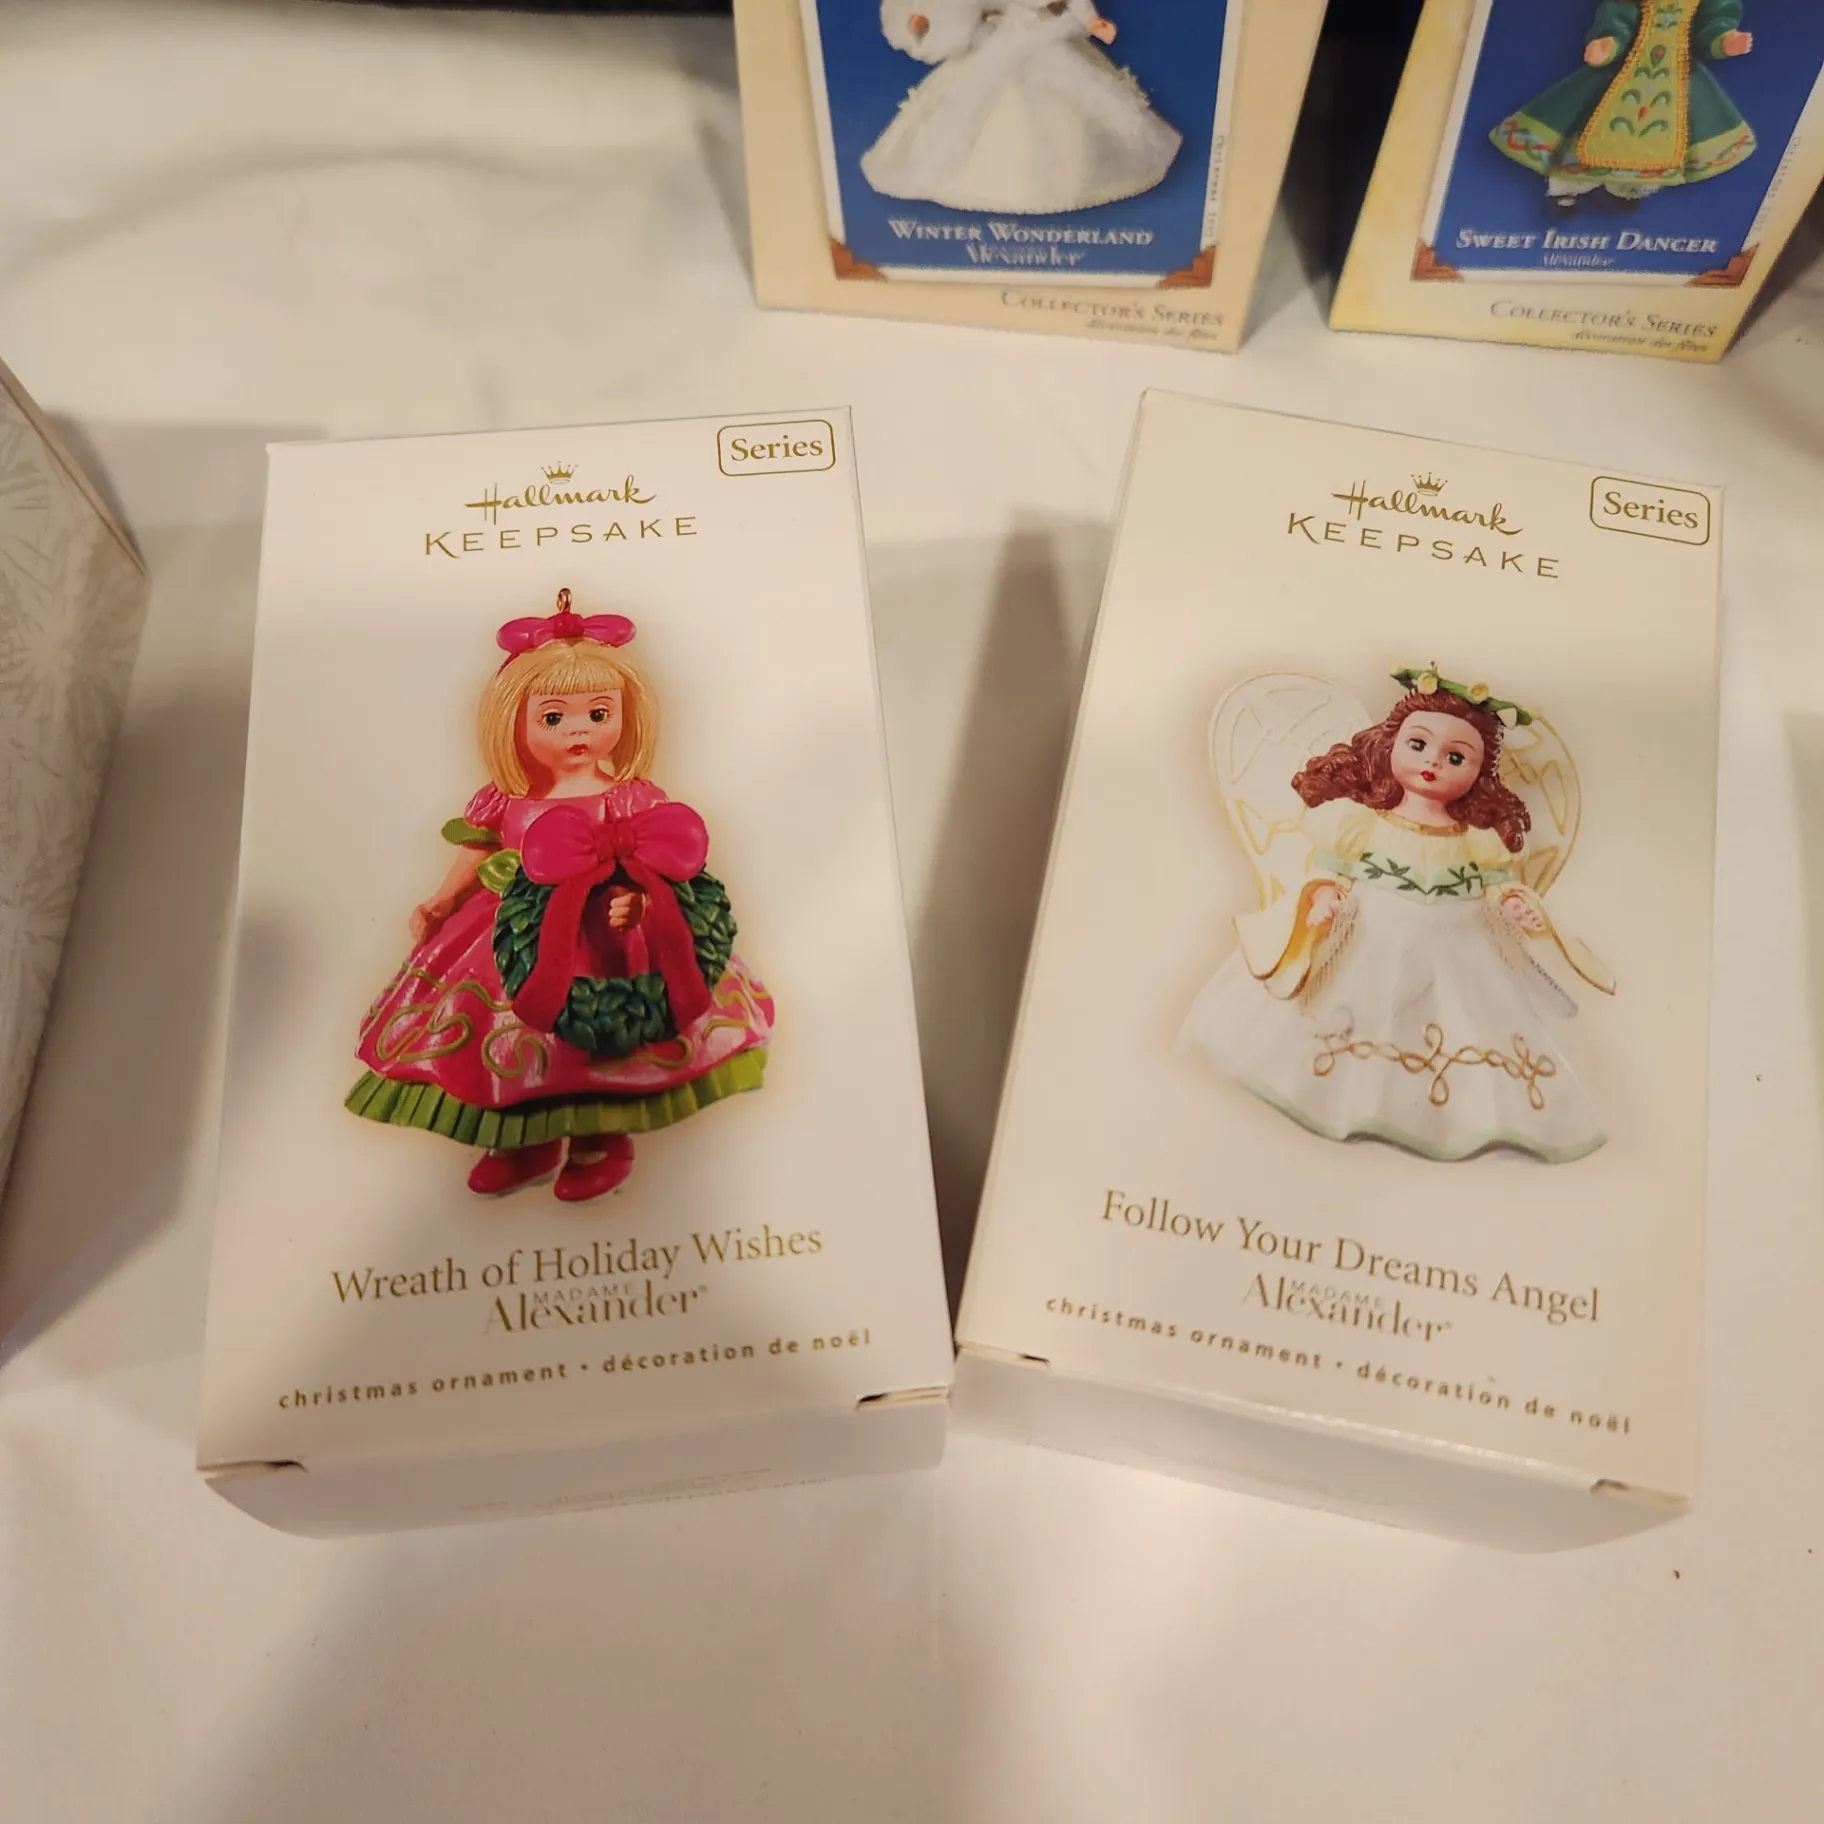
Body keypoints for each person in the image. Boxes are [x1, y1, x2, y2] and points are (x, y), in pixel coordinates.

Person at [346, 589, 772, 1201]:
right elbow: (480, 851)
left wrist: (642, 903)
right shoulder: (507, 800)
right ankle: (526, 1142)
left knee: (600, 1034)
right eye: (554, 717)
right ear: (513, 723)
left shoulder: (629, 796)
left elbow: (660, 866)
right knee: (513, 1038)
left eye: (599, 714)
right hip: (512, 932)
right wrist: (442, 901)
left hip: (607, 935)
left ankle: (601, 1141)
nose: (579, 730)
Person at [1182, 669, 1612, 1163]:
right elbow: (1334, 869)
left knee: (1458, 1017)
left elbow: (1496, 885)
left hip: (1458, 946)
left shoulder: (1477, 840)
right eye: (1418, 745)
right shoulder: (1362, 824)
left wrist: (1513, 904)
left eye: (1455, 757)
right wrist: (1324, 897)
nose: (1433, 763)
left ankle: (1451, 1113)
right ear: (1391, 745)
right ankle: (1348, 1096)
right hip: (1370, 933)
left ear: (1479, 774)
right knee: (1357, 1006)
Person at [862, 0, 1181, 214]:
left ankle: (1076, 169)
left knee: (1074, 94)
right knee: (974, 94)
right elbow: (958, 10)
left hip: (1048, 36)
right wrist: (929, 22)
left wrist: (1091, 20)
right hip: (997, 39)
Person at [1491, 1, 1756, 210]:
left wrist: (1724, 41)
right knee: (1591, 119)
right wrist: (1608, 43)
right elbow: (1617, 17)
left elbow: (1715, 20)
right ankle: (1569, 185)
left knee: (1661, 132)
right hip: (1626, 68)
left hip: (1676, 74)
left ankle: (1631, 187)